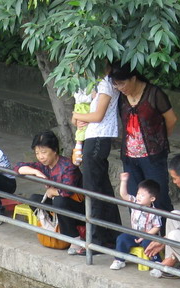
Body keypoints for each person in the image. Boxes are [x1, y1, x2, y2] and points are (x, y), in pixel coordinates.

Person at [111, 64, 177, 218]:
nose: (119, 87)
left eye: (122, 83)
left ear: (134, 78)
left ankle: (166, 236)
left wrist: (160, 138)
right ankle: (140, 236)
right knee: (134, 199)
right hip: (129, 156)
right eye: (116, 84)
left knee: (158, 197)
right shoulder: (121, 97)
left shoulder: (154, 94)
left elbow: (171, 119)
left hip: (153, 155)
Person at [72, 66, 121, 249]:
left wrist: (77, 115)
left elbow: (98, 115)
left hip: (99, 136)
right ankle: (111, 235)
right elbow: (79, 116)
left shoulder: (106, 84)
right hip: (91, 136)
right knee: (101, 187)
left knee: (93, 189)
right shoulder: (93, 83)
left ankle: (96, 240)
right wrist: (78, 116)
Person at [15, 131, 83, 253]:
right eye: (37, 153)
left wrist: (52, 191)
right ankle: (54, 228)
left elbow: (67, 191)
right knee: (34, 199)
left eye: (44, 152)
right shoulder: (43, 166)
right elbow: (18, 167)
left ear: (55, 150)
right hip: (58, 207)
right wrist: (36, 172)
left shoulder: (68, 166)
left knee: (59, 200)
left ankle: (75, 239)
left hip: (78, 208)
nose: (41, 156)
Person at [109, 174, 161, 270]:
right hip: (135, 234)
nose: (138, 197)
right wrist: (124, 181)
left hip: (148, 236)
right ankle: (119, 260)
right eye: (138, 194)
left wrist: (146, 236)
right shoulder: (135, 203)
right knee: (122, 238)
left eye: (142, 195)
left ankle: (157, 264)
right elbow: (124, 195)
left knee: (148, 244)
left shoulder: (154, 212)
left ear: (152, 199)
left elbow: (157, 227)